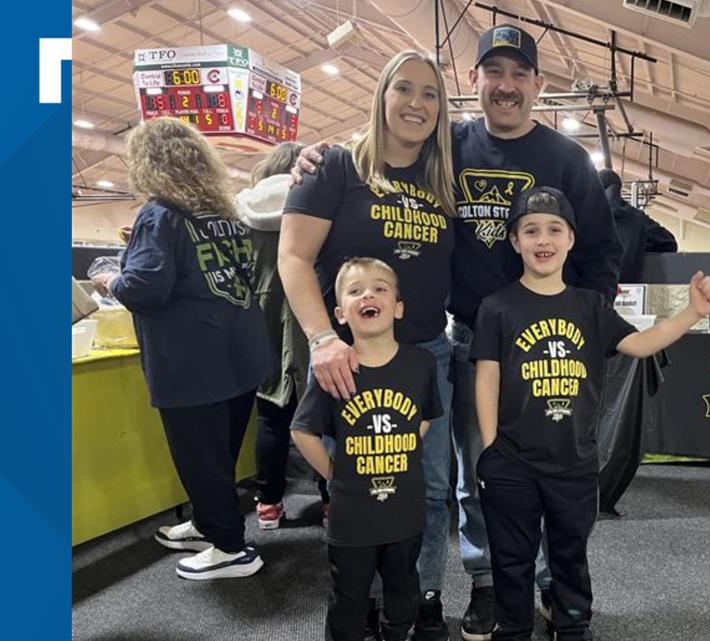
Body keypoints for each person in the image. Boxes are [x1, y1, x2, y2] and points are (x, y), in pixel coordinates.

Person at [294, 26, 622, 640]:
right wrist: (311, 155)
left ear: (538, 84)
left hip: (550, 346)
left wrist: (587, 320)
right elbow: (381, 146)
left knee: (555, 467)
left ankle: (550, 583)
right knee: (480, 471)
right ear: (473, 81)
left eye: (519, 74)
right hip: (473, 339)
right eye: (493, 72)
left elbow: (602, 251)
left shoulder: (567, 159)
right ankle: (489, 582)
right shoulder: (447, 144)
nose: (506, 85)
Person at [471, 187, 710, 641]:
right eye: (531, 230)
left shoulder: (590, 306)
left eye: (554, 229)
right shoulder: (497, 307)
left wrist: (692, 313)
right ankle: (513, 629)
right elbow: (487, 379)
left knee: (570, 554)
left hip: (574, 461)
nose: (543, 239)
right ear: (515, 241)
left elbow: (641, 344)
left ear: (571, 239)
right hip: (511, 461)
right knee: (511, 558)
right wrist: (489, 448)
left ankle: (572, 624)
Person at [90, 117, 273, 580]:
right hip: (240, 354)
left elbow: (145, 288)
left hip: (192, 362)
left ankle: (230, 548)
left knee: (200, 457)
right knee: (220, 454)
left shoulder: (160, 214)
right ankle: (210, 523)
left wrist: (109, 278)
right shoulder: (226, 215)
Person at [291, 258, 441, 641]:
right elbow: (302, 431)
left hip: (404, 512)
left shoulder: (421, 363)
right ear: (340, 314)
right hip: (352, 519)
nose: (368, 295)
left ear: (398, 307)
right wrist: (334, 472)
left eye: (379, 289)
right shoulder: (334, 370)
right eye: (355, 291)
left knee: (403, 594)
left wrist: (403, 446)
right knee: (348, 600)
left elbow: (425, 416)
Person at [235, 142, 307, 530]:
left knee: (270, 416)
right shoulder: (312, 200)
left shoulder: (242, 208)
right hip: (310, 312)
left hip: (262, 318)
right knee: (325, 415)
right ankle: (332, 501)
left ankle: (268, 504)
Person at [597, 168, 678, 282]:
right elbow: (669, 243)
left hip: (591, 289)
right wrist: (639, 247)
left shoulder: (586, 218)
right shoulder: (636, 217)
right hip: (627, 290)